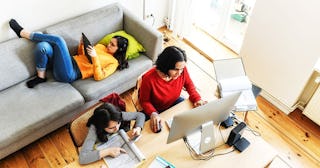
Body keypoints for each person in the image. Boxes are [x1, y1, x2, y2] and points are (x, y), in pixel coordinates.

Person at [9, 19, 129, 88]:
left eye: (112, 45)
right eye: (110, 42)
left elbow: (99, 76)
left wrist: (95, 58)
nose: (108, 45)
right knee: (43, 46)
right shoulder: (101, 46)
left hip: (70, 73)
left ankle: (24, 33)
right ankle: (41, 77)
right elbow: (82, 56)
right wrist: (82, 45)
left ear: (119, 50)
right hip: (67, 62)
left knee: (59, 40)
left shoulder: (113, 63)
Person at [139, 46, 207, 133]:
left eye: (182, 69)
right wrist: (153, 113)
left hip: (173, 101)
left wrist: (197, 99)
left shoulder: (182, 70)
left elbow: (189, 85)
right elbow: (144, 101)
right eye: (175, 69)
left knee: (189, 122)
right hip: (155, 109)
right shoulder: (148, 79)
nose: (179, 73)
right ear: (166, 65)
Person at [79, 102, 145, 165]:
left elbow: (140, 115)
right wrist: (108, 151)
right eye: (111, 128)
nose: (117, 128)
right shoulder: (94, 128)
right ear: (101, 127)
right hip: (102, 149)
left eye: (118, 123)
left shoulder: (116, 116)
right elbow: (83, 158)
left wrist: (138, 127)